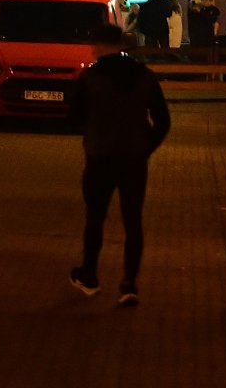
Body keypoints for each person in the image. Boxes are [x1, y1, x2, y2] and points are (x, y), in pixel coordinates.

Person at [68, 22, 170, 306]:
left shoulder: (90, 78)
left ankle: (90, 275)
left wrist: (92, 130)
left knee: (95, 218)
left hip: (100, 157)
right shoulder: (144, 76)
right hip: (134, 159)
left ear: (100, 45)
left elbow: (73, 118)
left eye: (93, 44)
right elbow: (163, 121)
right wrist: (145, 148)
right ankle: (129, 284)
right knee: (133, 221)